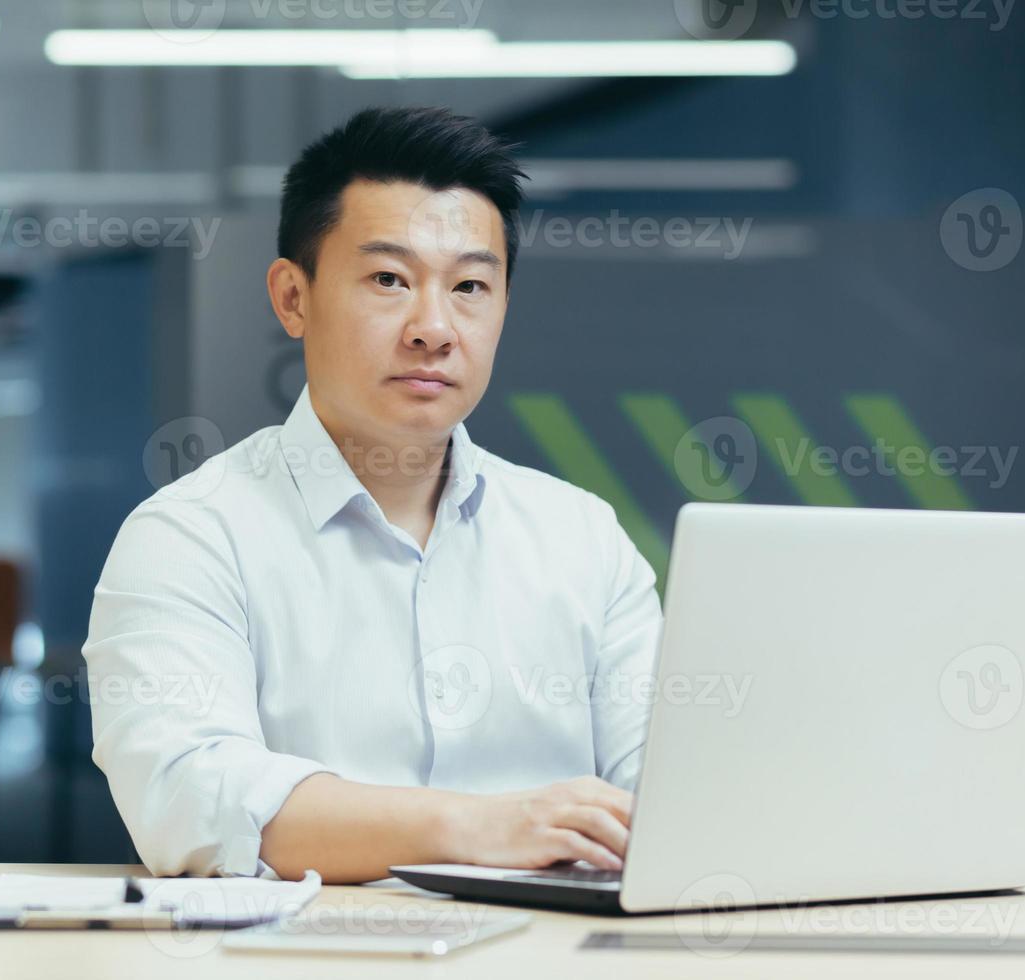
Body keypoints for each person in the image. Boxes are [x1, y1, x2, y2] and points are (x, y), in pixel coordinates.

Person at [84, 106, 662, 882]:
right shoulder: (188, 537)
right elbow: (191, 801)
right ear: (293, 298)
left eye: (469, 286)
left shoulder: (583, 539)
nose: (434, 327)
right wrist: (486, 826)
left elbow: (669, 792)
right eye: (389, 279)